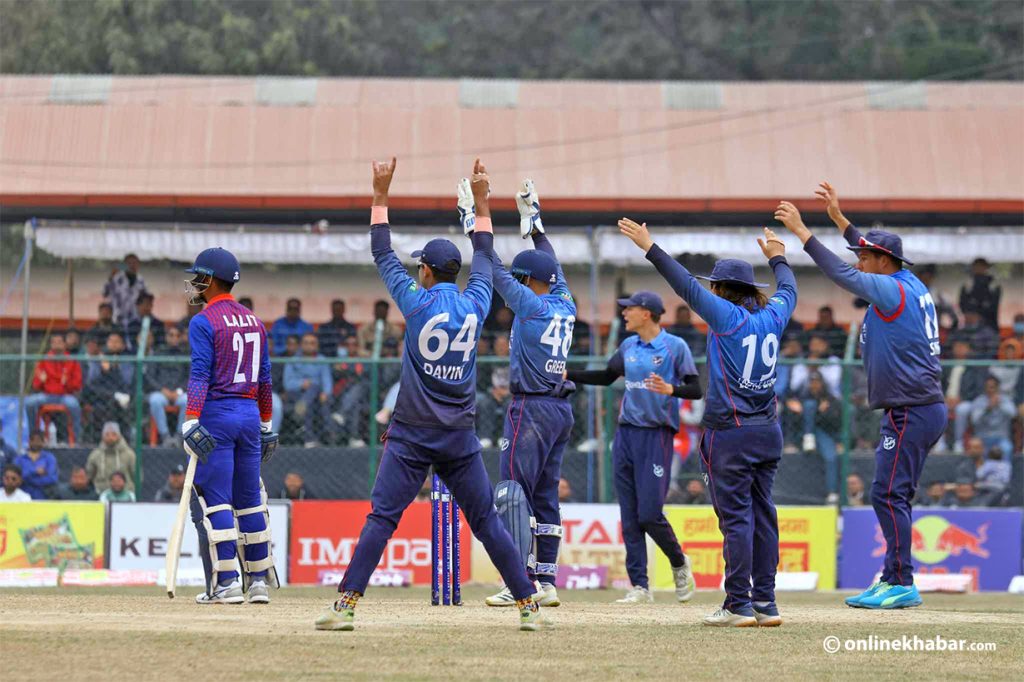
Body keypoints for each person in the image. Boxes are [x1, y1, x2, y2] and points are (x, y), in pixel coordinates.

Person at [315, 158, 544, 633]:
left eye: (419, 265)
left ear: (424, 271)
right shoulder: (477, 301)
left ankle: (346, 607)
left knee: (382, 519)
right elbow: (484, 253)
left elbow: (381, 251)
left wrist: (380, 194)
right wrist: (481, 201)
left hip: (412, 435)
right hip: (458, 435)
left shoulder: (415, 301)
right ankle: (527, 606)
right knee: (486, 523)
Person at [616, 218, 794, 628]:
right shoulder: (776, 314)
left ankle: (737, 604)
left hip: (730, 433)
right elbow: (789, 288)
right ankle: (765, 602)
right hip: (769, 430)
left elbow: (685, 287)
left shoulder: (727, 316)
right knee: (764, 513)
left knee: (736, 519)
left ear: (721, 289)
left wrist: (650, 247)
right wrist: (779, 257)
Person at [776, 182, 945, 610]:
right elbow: (862, 254)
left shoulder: (890, 290)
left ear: (884, 261)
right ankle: (892, 575)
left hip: (912, 407)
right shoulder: (906, 282)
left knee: (886, 494)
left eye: (866, 256)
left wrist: (803, 233)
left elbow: (842, 273)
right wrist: (838, 219)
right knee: (893, 493)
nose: (859, 261)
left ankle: (902, 580)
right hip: (916, 406)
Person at [463, 178, 576, 608]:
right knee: (544, 494)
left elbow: (489, 266)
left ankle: (519, 581)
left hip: (529, 407)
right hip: (560, 410)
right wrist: (536, 221)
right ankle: (545, 581)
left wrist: (473, 219)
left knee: (511, 491)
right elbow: (554, 263)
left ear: (528, 280)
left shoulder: (530, 304)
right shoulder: (566, 301)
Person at [567, 285, 701, 607]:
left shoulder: (674, 347)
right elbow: (605, 377)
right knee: (629, 515)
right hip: (625, 435)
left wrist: (670, 389)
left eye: (629, 309)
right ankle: (640, 586)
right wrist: (567, 374)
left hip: (656, 436)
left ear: (647, 313)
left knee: (649, 513)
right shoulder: (628, 345)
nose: (624, 313)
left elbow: (695, 389)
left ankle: (679, 563)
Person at [181, 245, 280, 605]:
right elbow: (266, 379)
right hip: (250, 416)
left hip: (217, 415)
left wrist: (191, 418)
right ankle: (258, 583)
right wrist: (267, 423)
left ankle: (227, 583)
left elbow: (199, 375)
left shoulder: (203, 321)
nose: (194, 284)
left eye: (198, 278)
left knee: (217, 501)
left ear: (209, 280)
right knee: (251, 500)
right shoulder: (255, 321)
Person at [786, 370, 842, 502]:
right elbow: (792, 424)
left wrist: (822, 412)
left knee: (831, 457)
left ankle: (832, 492)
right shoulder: (801, 397)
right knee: (809, 405)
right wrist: (798, 412)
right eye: (812, 382)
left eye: (817, 382)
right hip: (801, 434)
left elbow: (834, 423)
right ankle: (808, 436)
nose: (814, 385)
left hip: (822, 433)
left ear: (822, 383)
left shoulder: (830, 399)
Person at [24, 332, 83, 444]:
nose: (56, 345)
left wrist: (66, 383)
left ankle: (76, 440)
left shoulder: (72, 361)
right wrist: (40, 380)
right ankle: (34, 436)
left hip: (65, 395)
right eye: (53, 342)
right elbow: (36, 385)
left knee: (74, 405)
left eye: (59, 342)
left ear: (65, 344)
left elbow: (77, 385)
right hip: (47, 395)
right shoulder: (44, 360)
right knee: (29, 403)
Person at [283, 333, 332, 447]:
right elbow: (287, 383)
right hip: (296, 393)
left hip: (316, 394)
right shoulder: (293, 360)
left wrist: (326, 392)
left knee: (314, 389)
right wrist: (301, 384)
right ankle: (314, 438)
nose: (309, 345)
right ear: (301, 345)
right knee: (312, 389)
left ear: (317, 346)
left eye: (312, 343)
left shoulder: (322, 359)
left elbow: (326, 380)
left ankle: (309, 439)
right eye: (306, 343)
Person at [82, 331, 134, 438]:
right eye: (111, 341)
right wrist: (103, 369)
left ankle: (122, 438)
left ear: (123, 345)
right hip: (100, 397)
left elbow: (126, 383)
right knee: (101, 406)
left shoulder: (127, 360)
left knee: (117, 405)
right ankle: (97, 439)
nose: (113, 344)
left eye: (117, 341)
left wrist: (113, 369)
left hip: (121, 397)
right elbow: (92, 383)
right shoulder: (99, 359)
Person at [145, 325, 190, 446]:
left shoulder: (186, 354)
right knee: (155, 400)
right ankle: (165, 437)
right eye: (171, 335)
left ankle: (179, 436)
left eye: (177, 335)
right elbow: (149, 376)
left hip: (179, 393)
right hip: (161, 392)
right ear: (166, 337)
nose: (174, 338)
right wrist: (162, 389)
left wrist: (179, 391)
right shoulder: (157, 353)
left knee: (187, 400)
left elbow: (190, 377)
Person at [966, 376, 1015, 460]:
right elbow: (974, 420)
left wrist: (1000, 405)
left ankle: (1003, 472)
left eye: (992, 387)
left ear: (997, 388)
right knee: (975, 448)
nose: (990, 390)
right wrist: (987, 409)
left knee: (1007, 448)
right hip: (982, 438)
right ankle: (979, 473)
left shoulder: (1005, 400)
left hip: (1001, 438)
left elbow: (1013, 414)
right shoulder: (979, 401)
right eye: (987, 387)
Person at [86, 422, 137, 494]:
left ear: (119, 435)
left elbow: (137, 477)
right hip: (100, 494)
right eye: (107, 434)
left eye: (114, 434)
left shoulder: (129, 454)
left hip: (125, 494)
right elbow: (89, 476)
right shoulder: (95, 455)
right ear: (102, 436)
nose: (110, 437)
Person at [13, 430, 59, 499]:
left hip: (44, 495)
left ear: (43, 442)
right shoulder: (19, 459)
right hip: (22, 496)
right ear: (29, 441)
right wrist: (35, 471)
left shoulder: (49, 458)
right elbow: (15, 477)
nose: (35, 443)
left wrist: (28, 480)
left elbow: (52, 478)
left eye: (38, 441)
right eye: (33, 440)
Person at [103, 253, 147, 326]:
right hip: (117, 319)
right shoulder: (116, 279)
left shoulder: (141, 281)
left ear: (138, 265)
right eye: (129, 263)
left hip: (135, 320)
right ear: (124, 265)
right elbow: (105, 293)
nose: (132, 266)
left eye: (135, 263)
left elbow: (144, 299)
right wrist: (111, 277)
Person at [958, 257, 1001, 332]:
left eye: (981, 266)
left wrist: (980, 317)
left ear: (986, 268)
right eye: (976, 266)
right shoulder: (968, 284)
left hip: (989, 325)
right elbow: (962, 305)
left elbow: (994, 306)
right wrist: (971, 316)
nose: (979, 268)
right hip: (970, 326)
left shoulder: (993, 285)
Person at [475, 367, 512, 449]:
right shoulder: (489, 366)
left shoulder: (514, 363)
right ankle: (485, 437)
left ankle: (505, 437)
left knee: (510, 404)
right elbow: (483, 385)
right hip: (490, 394)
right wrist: (494, 392)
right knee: (484, 403)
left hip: (510, 394)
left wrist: (507, 392)